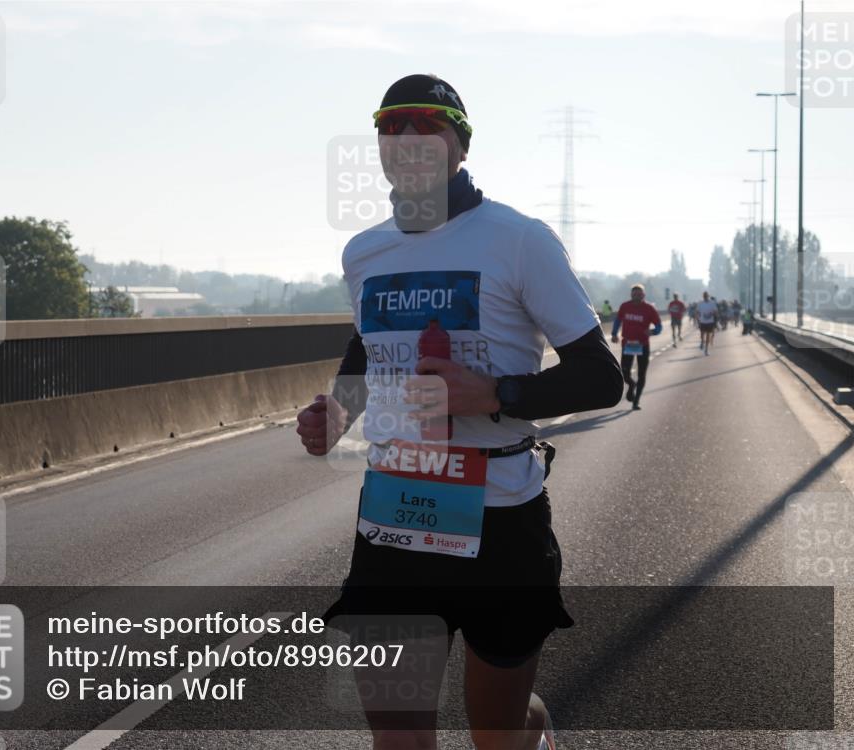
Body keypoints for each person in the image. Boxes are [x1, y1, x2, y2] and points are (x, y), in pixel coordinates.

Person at [297, 74, 622, 750]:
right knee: (400, 739)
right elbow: (368, 345)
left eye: (428, 122)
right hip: (394, 513)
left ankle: (536, 730)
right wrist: (338, 412)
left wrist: (498, 394)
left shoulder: (519, 239)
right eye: (392, 124)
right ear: (380, 146)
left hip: (499, 515)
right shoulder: (364, 253)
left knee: (497, 735)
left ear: (460, 145)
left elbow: (601, 377)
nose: (408, 137)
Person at [610, 284, 661, 410]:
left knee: (641, 374)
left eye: (639, 294)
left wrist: (653, 331)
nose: (637, 297)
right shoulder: (625, 306)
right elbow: (618, 320)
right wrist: (614, 333)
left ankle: (636, 401)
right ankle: (631, 385)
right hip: (628, 344)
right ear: (631, 295)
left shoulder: (649, 309)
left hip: (643, 345)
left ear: (644, 295)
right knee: (624, 373)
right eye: (634, 294)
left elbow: (659, 326)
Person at [696, 291, 718, 355]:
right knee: (702, 334)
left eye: (706, 296)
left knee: (708, 335)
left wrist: (714, 314)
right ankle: (702, 342)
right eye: (704, 296)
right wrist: (698, 319)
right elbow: (697, 312)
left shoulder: (712, 303)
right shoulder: (700, 303)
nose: (705, 297)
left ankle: (706, 349)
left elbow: (716, 311)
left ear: (708, 296)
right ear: (703, 297)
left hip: (710, 321)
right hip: (702, 321)